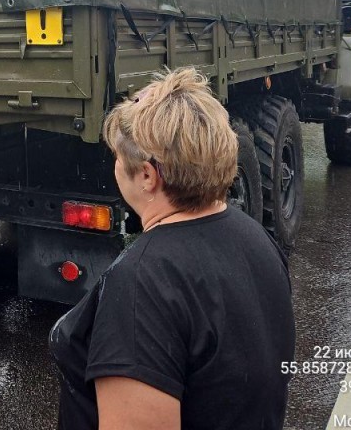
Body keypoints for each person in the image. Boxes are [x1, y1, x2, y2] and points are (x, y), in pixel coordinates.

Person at [49, 67, 295, 430]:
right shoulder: (257, 239)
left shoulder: (142, 283)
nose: (115, 165)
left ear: (147, 175)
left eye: (118, 155)